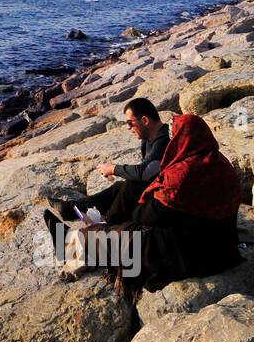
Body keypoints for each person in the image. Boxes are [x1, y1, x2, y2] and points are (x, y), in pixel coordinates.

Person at [43, 113, 242, 298]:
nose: (171, 142)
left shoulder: (183, 173)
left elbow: (148, 216)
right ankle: (82, 226)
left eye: (174, 137)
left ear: (183, 139)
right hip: (222, 245)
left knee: (130, 235)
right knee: (129, 194)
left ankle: (69, 244)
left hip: (193, 254)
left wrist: (131, 211)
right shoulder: (219, 162)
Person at [48, 97, 168, 224]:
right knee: (118, 187)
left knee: (132, 184)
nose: (128, 128)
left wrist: (113, 168)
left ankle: (108, 224)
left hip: (165, 200)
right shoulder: (148, 138)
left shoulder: (164, 139)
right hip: (155, 190)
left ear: (145, 120)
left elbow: (145, 173)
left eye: (129, 123)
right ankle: (70, 208)